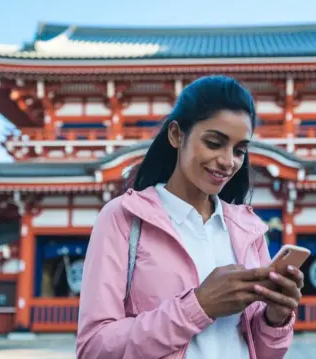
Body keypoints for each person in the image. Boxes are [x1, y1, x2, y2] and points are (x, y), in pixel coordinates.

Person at [76, 75, 302, 359]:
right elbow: (94, 348)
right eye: (214, 142)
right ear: (176, 135)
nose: (228, 161)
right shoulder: (123, 218)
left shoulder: (248, 230)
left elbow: (263, 352)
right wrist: (199, 306)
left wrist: (276, 318)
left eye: (239, 150)